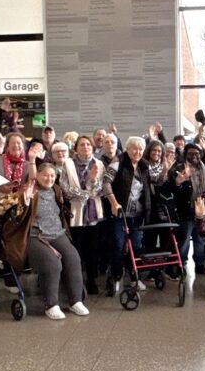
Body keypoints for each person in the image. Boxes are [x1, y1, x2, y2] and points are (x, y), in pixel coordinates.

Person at [14, 162, 88, 320]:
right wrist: (24, 198)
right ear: (37, 176)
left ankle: (75, 301)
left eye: (52, 175)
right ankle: (51, 305)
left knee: (73, 258)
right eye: (45, 175)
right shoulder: (28, 190)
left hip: (57, 233)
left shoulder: (56, 189)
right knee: (52, 263)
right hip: (35, 236)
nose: (49, 178)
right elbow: (17, 211)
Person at [0, 133, 42, 298]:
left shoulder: (27, 164)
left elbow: (33, 182)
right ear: (7, 145)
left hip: (14, 211)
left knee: (11, 245)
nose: (16, 146)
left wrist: (21, 190)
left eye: (19, 144)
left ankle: (11, 278)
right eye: (13, 143)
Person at [103, 136, 154, 294]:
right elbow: (106, 182)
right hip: (119, 212)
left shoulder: (144, 166)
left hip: (138, 214)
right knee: (118, 245)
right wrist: (113, 202)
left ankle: (134, 276)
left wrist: (167, 171)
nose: (138, 152)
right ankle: (117, 275)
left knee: (136, 246)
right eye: (134, 148)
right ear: (127, 148)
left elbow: (155, 181)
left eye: (140, 149)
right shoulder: (118, 161)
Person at [60, 136, 104, 295]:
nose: (85, 147)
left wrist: (92, 180)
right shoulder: (68, 163)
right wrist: (86, 193)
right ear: (76, 148)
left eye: (88, 144)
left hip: (93, 215)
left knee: (93, 250)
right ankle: (75, 281)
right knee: (75, 250)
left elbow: (99, 190)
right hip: (75, 214)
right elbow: (65, 189)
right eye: (82, 144)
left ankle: (91, 280)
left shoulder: (98, 164)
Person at [166, 143, 205, 276]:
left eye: (197, 153)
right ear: (185, 155)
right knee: (184, 241)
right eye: (190, 153)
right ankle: (180, 264)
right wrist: (178, 182)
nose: (194, 156)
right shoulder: (178, 168)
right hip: (185, 211)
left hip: (202, 211)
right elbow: (170, 188)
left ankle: (200, 263)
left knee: (200, 240)